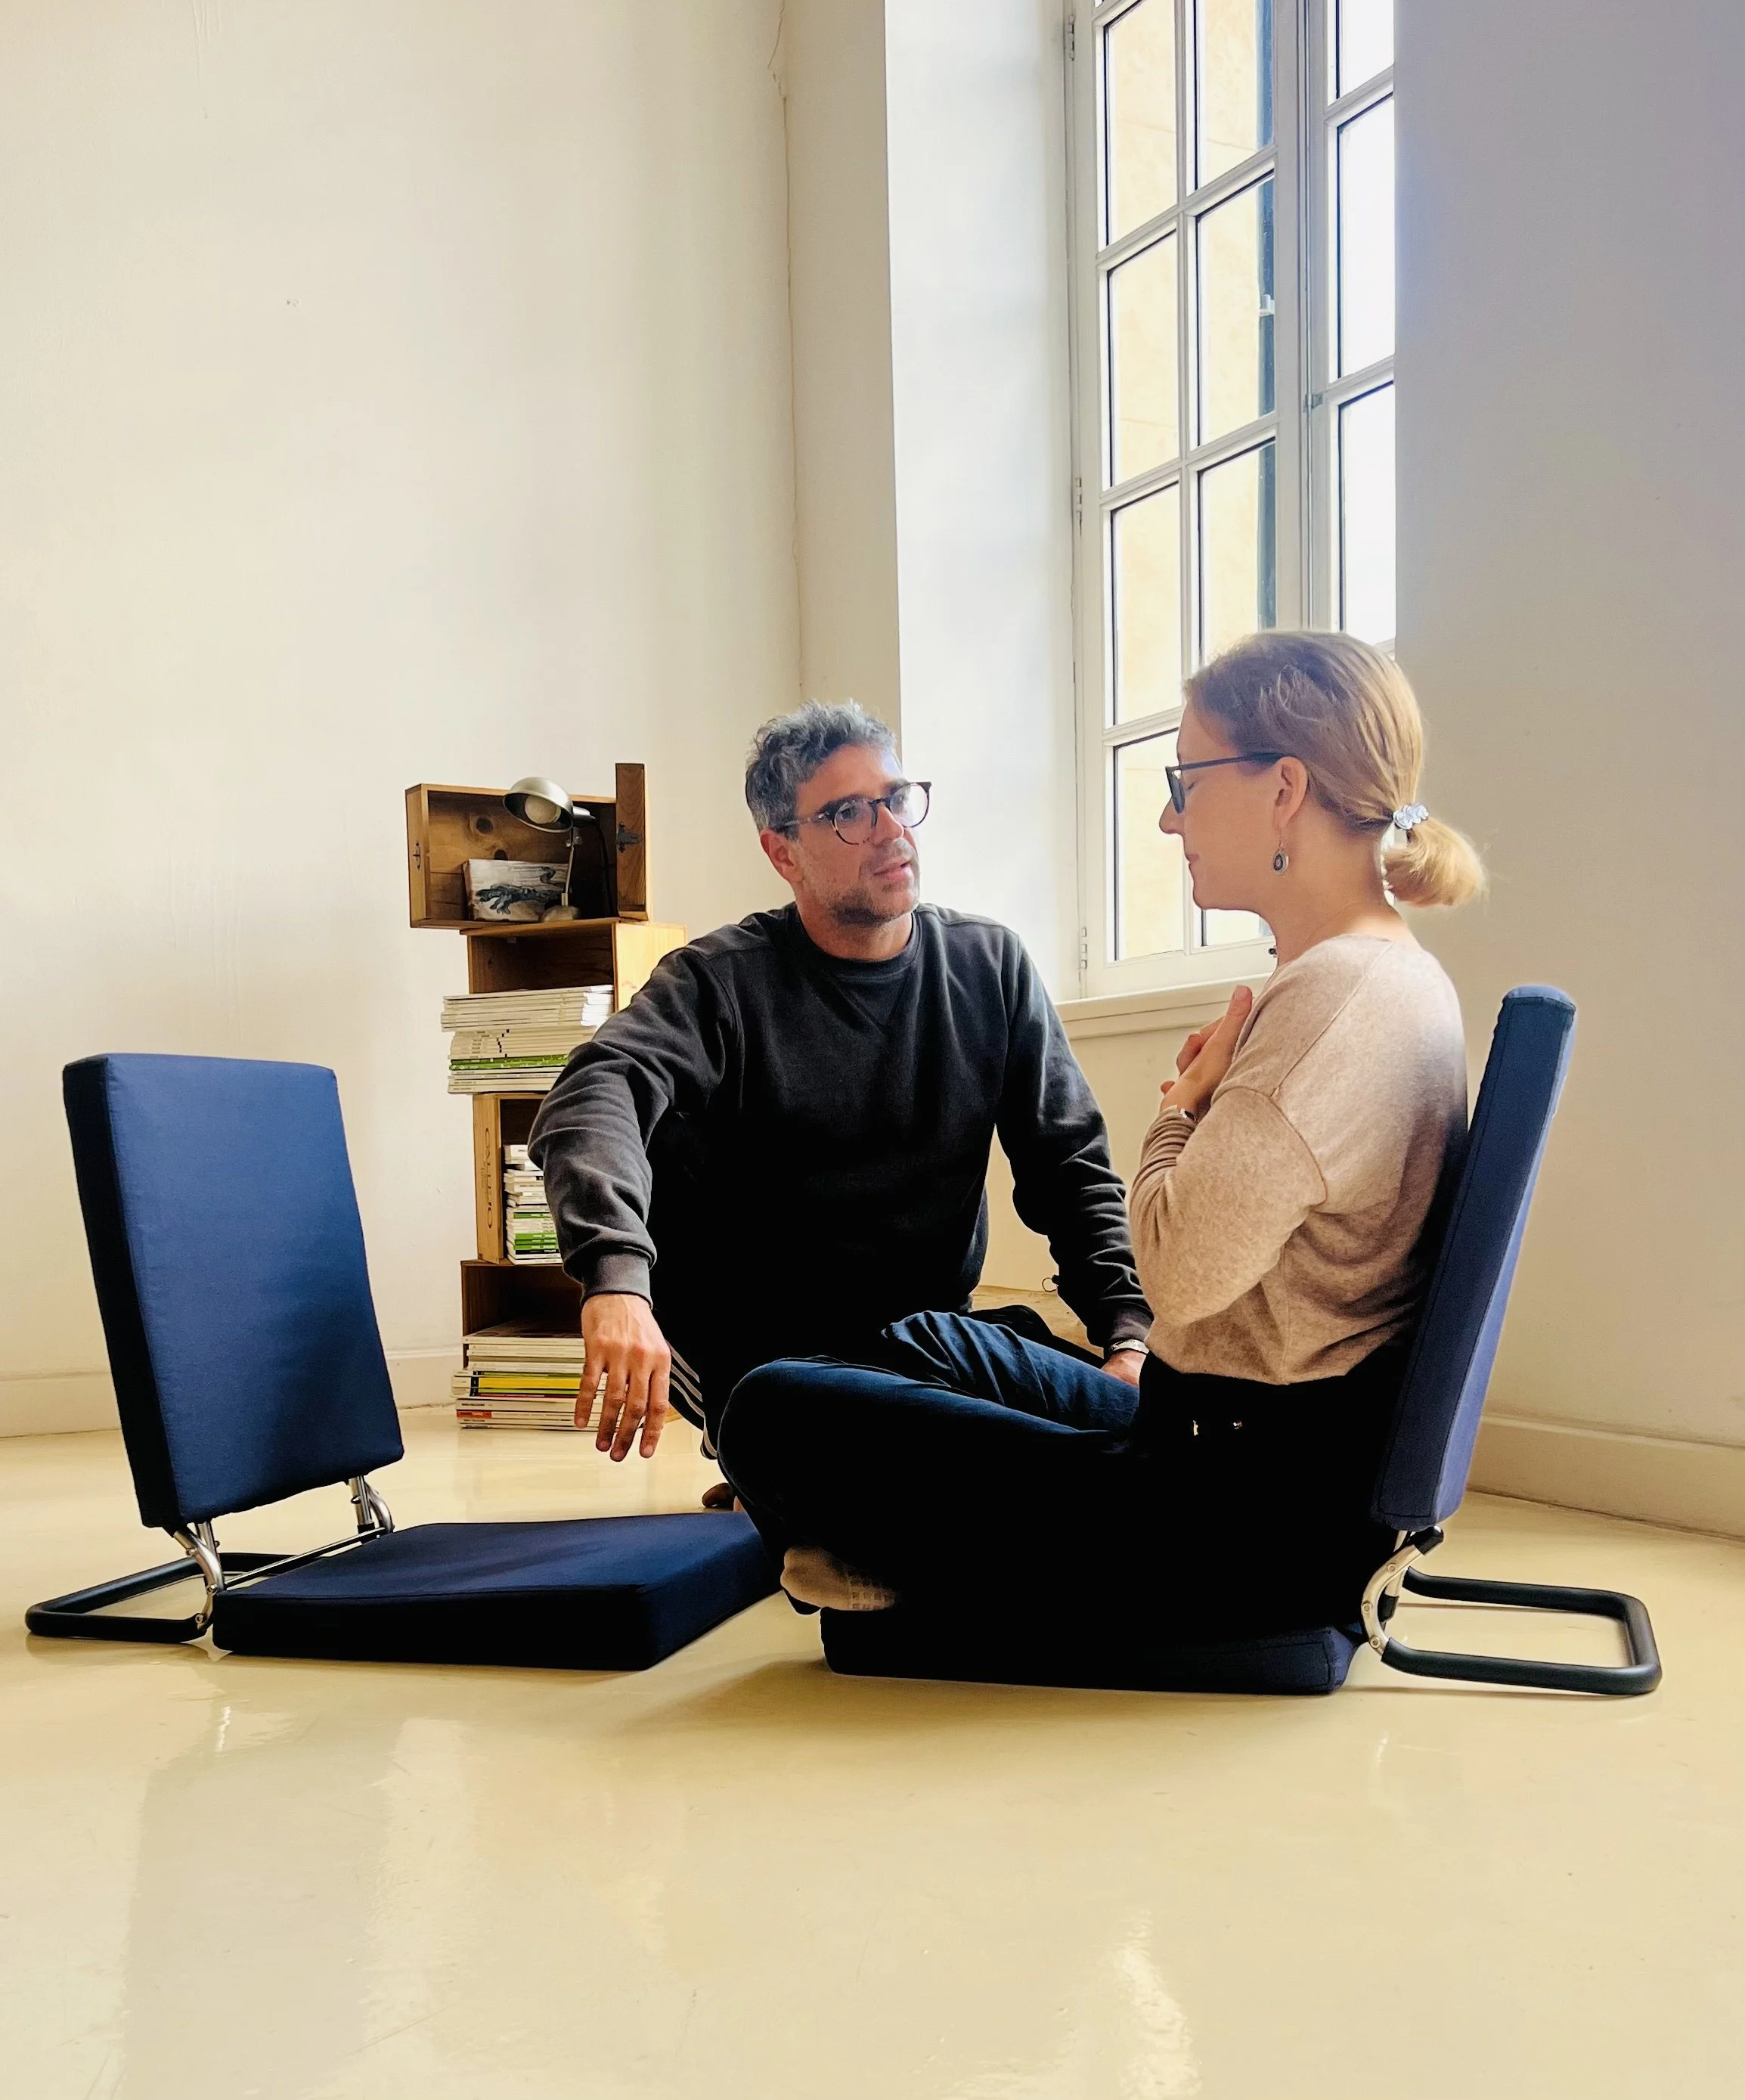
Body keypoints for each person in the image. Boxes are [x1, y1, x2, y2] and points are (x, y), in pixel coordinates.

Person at [716, 632, 1488, 1643]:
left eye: (1187, 781)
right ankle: (911, 1532)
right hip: (1226, 1438)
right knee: (930, 1337)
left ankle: (907, 1550)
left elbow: (1177, 1278)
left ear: (1284, 789)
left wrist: (1181, 1109)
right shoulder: (1376, 972)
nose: (1170, 817)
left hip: (1239, 1518)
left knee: (770, 1411)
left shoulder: (1333, 1002)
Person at [528, 700, 1153, 1481]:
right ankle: (813, 1468)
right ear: (782, 852)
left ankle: (841, 1493)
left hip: (931, 1340)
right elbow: (592, 1096)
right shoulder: (717, 982)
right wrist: (616, 1280)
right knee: (791, 1410)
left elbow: (1069, 1167)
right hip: (767, 1360)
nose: (890, 830)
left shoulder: (989, 965)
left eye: (896, 799)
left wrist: (1127, 1337)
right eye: (848, 814)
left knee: (1141, 1421)